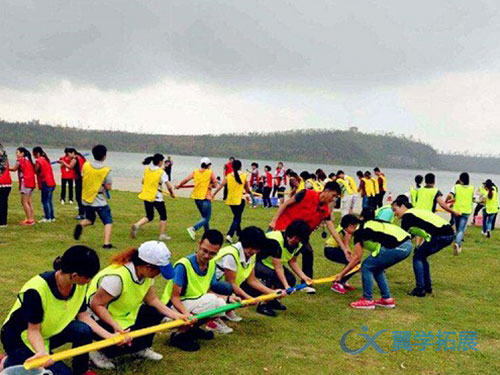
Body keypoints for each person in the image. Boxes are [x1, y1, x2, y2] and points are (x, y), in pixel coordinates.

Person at [1, 246, 109, 375]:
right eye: (88, 278)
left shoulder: (78, 284)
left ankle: (81, 370)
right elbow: (33, 331)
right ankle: (9, 361)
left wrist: (110, 336)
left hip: (48, 331)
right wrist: (42, 353)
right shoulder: (36, 290)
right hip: (20, 339)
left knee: (83, 330)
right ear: (74, 275)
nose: (89, 281)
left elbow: (84, 317)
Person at [87, 241, 188, 369]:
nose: (159, 275)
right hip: (99, 319)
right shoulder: (116, 278)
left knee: (153, 312)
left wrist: (176, 315)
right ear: (147, 266)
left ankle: (141, 348)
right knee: (122, 342)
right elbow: (96, 305)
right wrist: (115, 326)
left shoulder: (145, 275)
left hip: (124, 316)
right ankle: (99, 351)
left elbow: (152, 300)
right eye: (159, 270)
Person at [269, 181, 350, 293]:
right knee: (275, 255)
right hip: (284, 228)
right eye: (333, 195)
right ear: (326, 191)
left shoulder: (325, 210)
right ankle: (268, 278)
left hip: (302, 235)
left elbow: (332, 229)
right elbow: (286, 204)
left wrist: (344, 248)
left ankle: (306, 282)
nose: (333, 199)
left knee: (307, 252)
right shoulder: (306, 193)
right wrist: (274, 220)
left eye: (336, 197)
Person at [162, 230, 235, 352]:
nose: (207, 256)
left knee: (221, 304)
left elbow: (206, 291)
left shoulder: (211, 265)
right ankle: (179, 335)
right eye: (204, 251)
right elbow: (174, 297)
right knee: (213, 301)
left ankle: (192, 329)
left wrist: (228, 299)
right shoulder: (183, 265)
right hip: (171, 308)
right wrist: (187, 315)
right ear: (199, 244)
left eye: (212, 253)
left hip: (192, 303)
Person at [335, 208, 412, 310]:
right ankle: (387, 299)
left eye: (346, 230)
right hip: (407, 245)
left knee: (366, 266)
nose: (347, 233)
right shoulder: (369, 223)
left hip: (397, 246)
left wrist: (341, 275)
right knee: (376, 268)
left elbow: (356, 259)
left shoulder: (359, 231)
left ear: (350, 226)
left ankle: (367, 300)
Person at [215, 226, 285, 319]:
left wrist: (272, 292)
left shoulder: (252, 255)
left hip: (232, 286)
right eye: (251, 248)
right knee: (227, 288)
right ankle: (217, 315)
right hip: (215, 286)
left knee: (255, 290)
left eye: (256, 249)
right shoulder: (231, 255)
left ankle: (227, 310)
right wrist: (248, 298)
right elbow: (231, 284)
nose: (253, 251)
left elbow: (252, 280)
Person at [391, 195, 455, 297]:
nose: (394, 214)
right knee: (422, 256)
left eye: (395, 210)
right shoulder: (416, 211)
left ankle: (420, 289)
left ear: (402, 206)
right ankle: (427, 287)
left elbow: (403, 236)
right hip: (448, 233)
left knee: (417, 258)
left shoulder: (407, 216)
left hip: (441, 235)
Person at [256, 220, 312, 309]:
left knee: (291, 279)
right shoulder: (276, 240)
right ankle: (263, 303)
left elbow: (292, 261)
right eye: (292, 236)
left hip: (272, 265)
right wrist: (286, 286)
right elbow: (278, 268)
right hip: (257, 262)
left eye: (298, 238)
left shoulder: (299, 245)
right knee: (273, 276)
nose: (293, 239)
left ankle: (273, 300)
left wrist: (304, 277)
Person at [73, 145, 114, 249]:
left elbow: (84, 176)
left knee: (90, 219)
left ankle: (81, 225)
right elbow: (108, 187)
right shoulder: (106, 170)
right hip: (99, 200)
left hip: (86, 199)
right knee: (108, 221)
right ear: (104, 156)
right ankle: (106, 243)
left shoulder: (86, 165)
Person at [131, 153, 175, 241]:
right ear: (160, 162)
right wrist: (172, 194)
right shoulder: (161, 172)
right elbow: (169, 186)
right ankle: (162, 235)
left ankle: (137, 225)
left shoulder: (147, 170)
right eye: (162, 161)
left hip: (147, 195)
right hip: (157, 197)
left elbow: (143, 181)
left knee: (149, 216)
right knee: (163, 216)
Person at [176, 157, 218, 240]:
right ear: (208, 165)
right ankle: (193, 228)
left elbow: (186, 179)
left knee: (204, 217)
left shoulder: (195, 172)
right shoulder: (210, 172)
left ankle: (207, 234)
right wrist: (211, 185)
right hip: (205, 197)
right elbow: (215, 184)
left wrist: (179, 185)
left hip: (196, 197)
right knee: (207, 217)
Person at [213, 160, 251, 243]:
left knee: (237, 218)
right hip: (240, 199)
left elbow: (221, 186)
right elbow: (247, 189)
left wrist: (214, 194)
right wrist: (250, 193)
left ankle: (239, 235)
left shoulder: (228, 176)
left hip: (230, 200)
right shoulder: (244, 175)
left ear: (232, 167)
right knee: (237, 218)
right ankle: (229, 234)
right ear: (241, 166)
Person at [324, 214, 361, 294]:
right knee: (354, 263)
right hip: (331, 249)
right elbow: (346, 244)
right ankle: (338, 282)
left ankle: (342, 280)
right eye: (354, 227)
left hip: (329, 249)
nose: (355, 229)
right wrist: (351, 256)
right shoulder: (347, 231)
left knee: (354, 262)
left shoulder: (344, 226)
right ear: (350, 226)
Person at [448, 173, 474, 255]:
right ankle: (458, 243)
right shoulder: (472, 188)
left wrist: (447, 202)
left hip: (457, 210)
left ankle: (457, 243)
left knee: (457, 227)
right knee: (461, 230)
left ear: (460, 179)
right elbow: (473, 198)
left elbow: (450, 195)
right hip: (466, 211)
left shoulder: (456, 187)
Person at [9, 147, 36, 226]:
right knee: (29, 201)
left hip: (25, 182)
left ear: (22, 153)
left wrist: (5, 168)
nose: (16, 154)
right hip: (31, 183)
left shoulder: (20, 161)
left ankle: (29, 220)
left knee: (24, 202)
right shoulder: (28, 160)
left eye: (17, 152)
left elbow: (14, 169)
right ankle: (31, 218)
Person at [32, 147, 56, 223]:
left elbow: (35, 170)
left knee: (45, 201)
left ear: (37, 153)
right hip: (51, 182)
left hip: (46, 182)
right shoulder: (46, 160)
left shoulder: (39, 160)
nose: (34, 156)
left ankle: (47, 217)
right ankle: (51, 216)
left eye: (34, 154)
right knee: (49, 200)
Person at [72, 149, 87, 220]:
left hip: (79, 179)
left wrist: (63, 162)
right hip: (84, 178)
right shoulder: (82, 158)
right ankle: (85, 212)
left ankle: (81, 213)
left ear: (72, 153)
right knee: (83, 196)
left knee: (79, 196)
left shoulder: (75, 158)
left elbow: (70, 166)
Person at [0, 144, 12, 227]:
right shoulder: (5, 156)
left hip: (3, 182)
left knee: (2, 202)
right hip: (7, 182)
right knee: (3, 202)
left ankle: (2, 221)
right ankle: (3, 221)